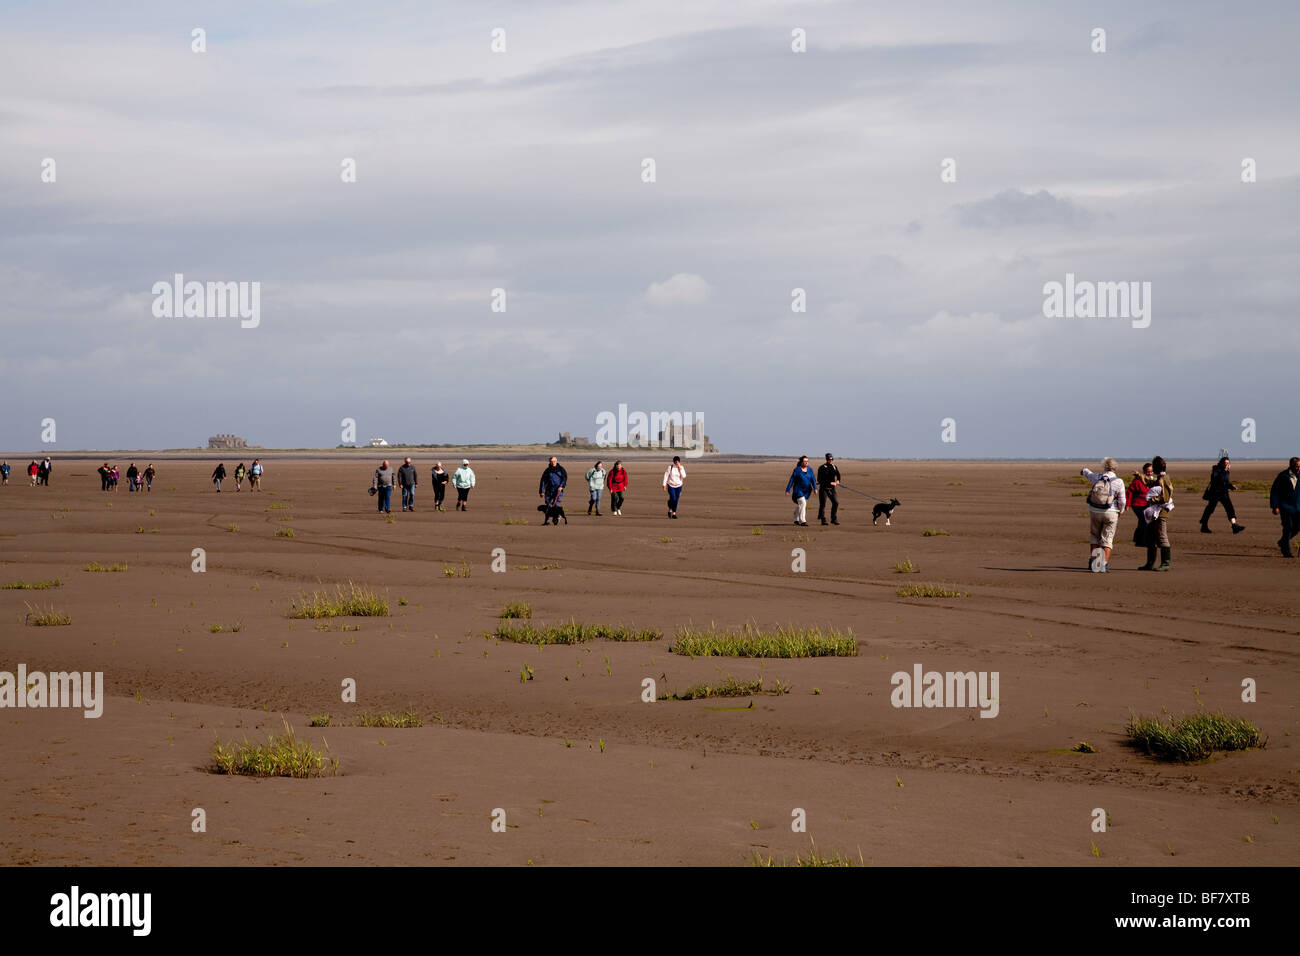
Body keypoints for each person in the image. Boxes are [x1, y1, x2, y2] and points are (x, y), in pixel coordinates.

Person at [1079, 458, 1126, 572]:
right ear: (1115, 468)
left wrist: (1083, 470)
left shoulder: (1097, 477)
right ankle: (1103, 564)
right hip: (1111, 513)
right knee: (1107, 538)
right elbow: (1122, 500)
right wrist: (1121, 511)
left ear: (1104, 467)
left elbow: (1087, 473)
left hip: (1095, 511)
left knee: (1095, 536)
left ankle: (1095, 562)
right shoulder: (1119, 481)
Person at [1142, 456, 1175, 571]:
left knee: (1162, 537)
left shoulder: (1163, 479)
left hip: (1160, 513)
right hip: (1154, 513)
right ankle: (1150, 563)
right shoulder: (1161, 478)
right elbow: (1151, 482)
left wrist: (1151, 499)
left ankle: (1165, 563)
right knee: (1151, 538)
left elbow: (1164, 498)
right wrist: (1140, 476)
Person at [1200, 456, 1244, 534]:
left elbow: (1226, 482)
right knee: (1210, 509)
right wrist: (1224, 473)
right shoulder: (1216, 469)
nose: (1227, 464)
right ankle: (1204, 525)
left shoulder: (1227, 471)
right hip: (1215, 493)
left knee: (1230, 508)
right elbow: (1217, 479)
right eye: (1225, 463)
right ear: (1221, 463)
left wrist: (1231, 486)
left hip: (1224, 493)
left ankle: (1234, 525)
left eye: (1228, 463)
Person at [1269, 457, 1300, 559]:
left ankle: (1283, 541)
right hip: (1285, 507)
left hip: (1298, 507)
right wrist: (1275, 506)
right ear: (1291, 465)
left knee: (1297, 528)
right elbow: (1275, 492)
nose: (1298, 468)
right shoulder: (1283, 476)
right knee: (1288, 528)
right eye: (1296, 466)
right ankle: (1286, 551)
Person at [785, 455, 817, 527]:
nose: (806, 463)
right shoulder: (797, 470)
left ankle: (796, 517)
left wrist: (815, 488)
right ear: (801, 462)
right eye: (805, 461)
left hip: (807, 491)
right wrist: (788, 490)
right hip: (798, 490)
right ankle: (803, 520)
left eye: (807, 461)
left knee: (801, 505)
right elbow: (791, 480)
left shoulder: (810, 469)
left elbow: (813, 480)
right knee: (803, 503)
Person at [1128, 462, 1154, 548]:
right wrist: (1127, 504)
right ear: (1144, 471)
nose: (1149, 473)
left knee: (1143, 522)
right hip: (1137, 504)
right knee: (1144, 520)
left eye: (1151, 471)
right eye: (1147, 471)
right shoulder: (1137, 480)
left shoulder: (1152, 481)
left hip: (1147, 504)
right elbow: (1129, 492)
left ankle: (1138, 540)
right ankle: (1142, 541)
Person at [539, 456, 567, 525]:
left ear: (556, 461)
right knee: (548, 506)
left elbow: (564, 478)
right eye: (551, 461)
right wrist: (542, 491)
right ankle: (547, 521)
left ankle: (556, 519)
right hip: (549, 491)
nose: (553, 463)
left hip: (558, 490)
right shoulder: (547, 470)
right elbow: (543, 481)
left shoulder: (561, 469)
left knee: (556, 506)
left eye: (554, 461)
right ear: (549, 462)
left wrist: (561, 486)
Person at [817, 453, 841, 525]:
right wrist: (830, 483)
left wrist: (838, 481)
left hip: (832, 489)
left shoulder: (834, 467)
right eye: (829, 459)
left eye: (831, 459)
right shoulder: (822, 467)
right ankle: (823, 519)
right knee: (823, 504)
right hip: (823, 488)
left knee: (836, 502)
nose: (830, 460)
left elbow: (838, 475)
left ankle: (833, 519)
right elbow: (819, 480)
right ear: (826, 459)